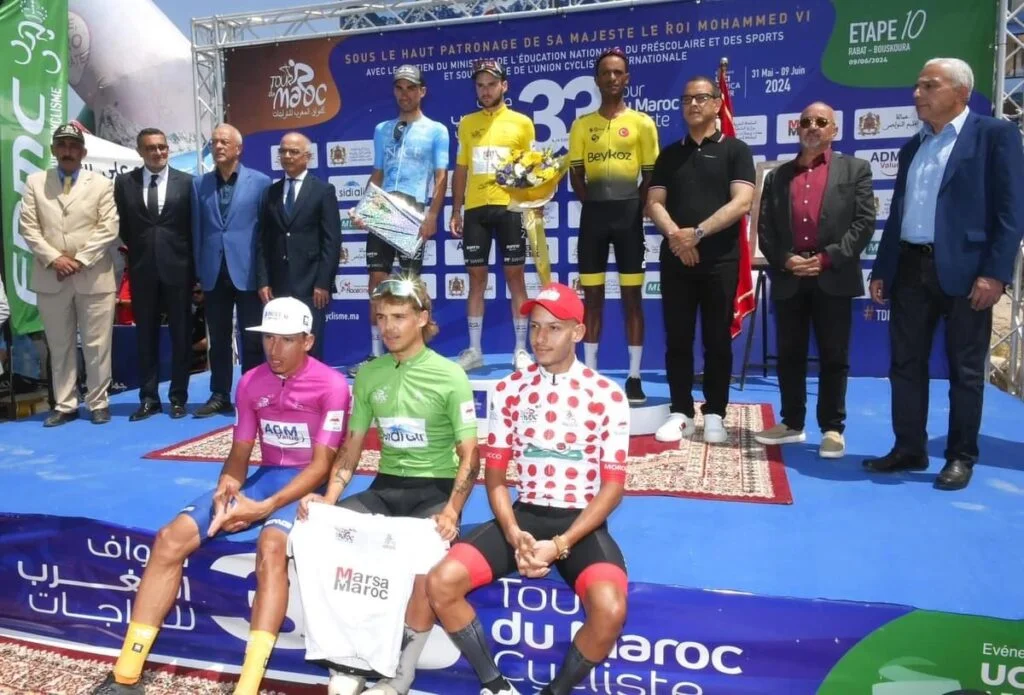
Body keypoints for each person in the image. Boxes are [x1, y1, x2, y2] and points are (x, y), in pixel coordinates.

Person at [91, 297, 351, 695]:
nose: (274, 349)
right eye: (268, 338)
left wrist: (264, 507)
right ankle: (127, 673)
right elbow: (241, 452)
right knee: (169, 539)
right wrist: (228, 484)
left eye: (286, 340)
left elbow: (321, 466)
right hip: (264, 478)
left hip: (306, 486)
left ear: (308, 341)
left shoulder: (332, 385)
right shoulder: (250, 382)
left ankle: (247, 686)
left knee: (271, 547)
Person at [427, 281, 630, 695]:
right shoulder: (508, 391)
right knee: (441, 582)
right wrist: (512, 532)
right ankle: (495, 685)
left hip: (580, 524)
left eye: (554, 328)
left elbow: (612, 490)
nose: (540, 338)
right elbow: (496, 478)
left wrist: (561, 544)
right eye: (535, 327)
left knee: (610, 610)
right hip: (524, 516)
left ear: (578, 332)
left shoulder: (607, 396)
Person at [298, 273, 479, 695]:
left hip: (436, 487)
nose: (389, 327)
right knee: (322, 532)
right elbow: (352, 447)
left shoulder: (450, 375)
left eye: (399, 316)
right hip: (386, 485)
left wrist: (452, 511)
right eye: (382, 317)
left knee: (424, 561)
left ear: (422, 318)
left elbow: (471, 455)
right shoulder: (369, 374)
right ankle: (347, 661)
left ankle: (400, 674)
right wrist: (328, 499)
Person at [864, 58, 1024, 490]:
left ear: (961, 92)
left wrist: (995, 274)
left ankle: (960, 457)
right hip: (910, 269)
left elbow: (1011, 213)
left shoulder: (995, 135)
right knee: (905, 365)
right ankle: (909, 448)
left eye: (929, 86)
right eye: (917, 86)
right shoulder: (912, 147)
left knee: (965, 371)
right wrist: (883, 268)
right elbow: (898, 215)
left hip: (968, 274)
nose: (917, 94)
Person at [754, 103, 875, 458]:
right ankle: (791, 423)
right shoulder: (777, 176)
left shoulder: (855, 169)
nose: (812, 127)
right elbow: (766, 228)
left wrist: (825, 259)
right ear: (797, 128)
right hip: (790, 276)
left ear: (833, 130)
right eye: (806, 121)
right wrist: (786, 259)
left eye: (821, 122)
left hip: (833, 275)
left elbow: (863, 224)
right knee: (789, 354)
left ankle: (832, 428)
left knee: (834, 356)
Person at [646, 77, 755, 444]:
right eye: (687, 99)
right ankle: (680, 411)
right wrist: (678, 237)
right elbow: (654, 203)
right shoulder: (669, 155)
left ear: (716, 103)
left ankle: (715, 413)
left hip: (720, 260)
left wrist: (698, 233)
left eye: (702, 98)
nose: (693, 104)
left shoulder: (735, 150)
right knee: (677, 338)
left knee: (717, 340)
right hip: (676, 259)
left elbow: (742, 202)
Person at [568, 47, 659, 404]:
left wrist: (636, 207)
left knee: (632, 299)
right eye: (605, 72)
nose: (611, 78)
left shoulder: (642, 123)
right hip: (594, 218)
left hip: (628, 218)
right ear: (597, 79)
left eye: (618, 72)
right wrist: (592, 205)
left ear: (627, 78)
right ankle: (589, 373)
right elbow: (576, 173)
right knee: (591, 299)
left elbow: (650, 174)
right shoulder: (582, 125)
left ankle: (634, 377)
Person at [349, 65, 449, 375]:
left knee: (409, 283)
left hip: (413, 209)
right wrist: (363, 208)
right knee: (376, 281)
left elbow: (441, 176)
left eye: (411, 88)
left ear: (422, 91)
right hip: (383, 207)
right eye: (399, 88)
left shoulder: (436, 130)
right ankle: (376, 353)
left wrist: (433, 215)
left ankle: (413, 351)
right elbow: (378, 172)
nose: (404, 94)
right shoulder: (382, 129)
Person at [18, 122, 119, 427]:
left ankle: (98, 402)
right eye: (62, 145)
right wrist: (55, 259)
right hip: (52, 277)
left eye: (73, 146)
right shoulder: (35, 182)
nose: (67, 151)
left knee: (97, 345)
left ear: (83, 152)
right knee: (59, 345)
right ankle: (65, 404)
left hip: (94, 275)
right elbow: (28, 227)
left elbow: (109, 227)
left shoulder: (101, 184)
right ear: (53, 150)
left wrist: (80, 260)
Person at [450, 59, 536, 372]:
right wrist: (456, 209)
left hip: (510, 207)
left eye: (491, 84)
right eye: (480, 85)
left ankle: (521, 349)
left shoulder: (522, 123)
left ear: (504, 86)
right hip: (475, 209)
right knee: (476, 279)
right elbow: (461, 168)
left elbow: (531, 168)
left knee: (515, 276)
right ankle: (474, 350)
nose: (485, 91)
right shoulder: (467, 123)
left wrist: (531, 204)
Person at [191, 123, 272, 418]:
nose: (218, 146)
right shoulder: (199, 185)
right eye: (214, 142)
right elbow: (197, 230)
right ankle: (220, 394)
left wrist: (265, 275)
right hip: (213, 272)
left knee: (252, 337)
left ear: (239, 148)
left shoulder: (261, 182)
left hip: (248, 272)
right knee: (218, 337)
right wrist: (198, 273)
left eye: (224, 142)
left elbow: (265, 233)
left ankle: (252, 393)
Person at [115, 127, 195, 420]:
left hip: (179, 271)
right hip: (142, 271)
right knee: (145, 337)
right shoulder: (125, 183)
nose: (158, 152)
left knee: (181, 336)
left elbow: (192, 227)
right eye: (151, 148)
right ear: (140, 152)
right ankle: (149, 398)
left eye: (162, 147)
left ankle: (178, 397)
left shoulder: (187, 182)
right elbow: (124, 226)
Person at [256, 131, 341, 361]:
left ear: (307, 157)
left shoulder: (323, 191)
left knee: (310, 346)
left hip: (311, 286)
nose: (287, 156)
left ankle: (312, 385)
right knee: (281, 348)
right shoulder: (270, 193)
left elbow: (332, 241)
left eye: (293, 152)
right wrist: (263, 280)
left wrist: (323, 283)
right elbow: (262, 240)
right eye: (283, 151)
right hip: (278, 285)